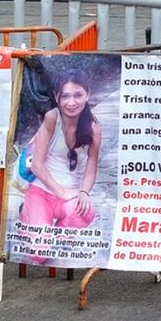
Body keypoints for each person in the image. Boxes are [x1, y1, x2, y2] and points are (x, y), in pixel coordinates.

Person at [20, 70, 102, 242]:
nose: (71, 102)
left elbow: (91, 165)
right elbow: (37, 165)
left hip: (69, 194)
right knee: (38, 252)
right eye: (65, 96)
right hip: (42, 191)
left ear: (88, 95)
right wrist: (61, 192)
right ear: (57, 97)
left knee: (86, 212)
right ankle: (28, 214)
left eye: (78, 95)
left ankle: (54, 234)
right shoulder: (52, 118)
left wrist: (84, 192)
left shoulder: (93, 127)